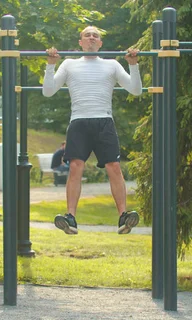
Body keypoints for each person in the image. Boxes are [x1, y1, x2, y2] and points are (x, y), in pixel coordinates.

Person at [42, 26, 142, 235]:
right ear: (80, 42)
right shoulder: (69, 64)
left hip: (104, 121)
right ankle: (70, 218)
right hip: (78, 121)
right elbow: (48, 91)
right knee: (76, 166)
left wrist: (133, 65)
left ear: (100, 43)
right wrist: (51, 65)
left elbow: (135, 89)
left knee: (114, 166)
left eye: (95, 35)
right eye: (87, 35)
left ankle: (123, 216)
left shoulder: (112, 65)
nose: (91, 38)